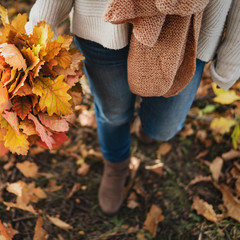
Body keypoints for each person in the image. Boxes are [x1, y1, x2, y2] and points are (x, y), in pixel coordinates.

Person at [25, 0, 240, 216]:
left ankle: (147, 127)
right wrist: (42, 23)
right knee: (113, 113)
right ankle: (116, 165)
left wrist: (234, 51)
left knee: (164, 127)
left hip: (190, 30)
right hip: (103, 22)